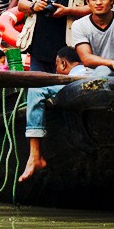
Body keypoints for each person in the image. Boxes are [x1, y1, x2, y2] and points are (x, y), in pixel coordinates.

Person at [16, 0, 93, 180]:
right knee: (36, 95)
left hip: (70, 48)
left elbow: (95, 7)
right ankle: (35, 154)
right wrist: (34, 4)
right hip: (40, 44)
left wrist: (68, 11)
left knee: (70, 96)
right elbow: (22, 4)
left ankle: (74, 149)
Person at [18, 46, 89, 182]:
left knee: (35, 91)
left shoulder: (73, 78)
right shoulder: (98, 69)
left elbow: (39, 91)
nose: (56, 70)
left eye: (56, 65)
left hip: (78, 87)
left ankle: (35, 155)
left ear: (63, 63)